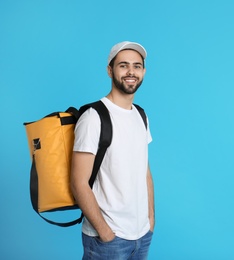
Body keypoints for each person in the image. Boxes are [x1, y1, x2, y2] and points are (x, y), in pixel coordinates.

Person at [71, 41, 155, 260]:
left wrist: (150, 220)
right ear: (110, 70)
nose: (131, 72)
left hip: (141, 235)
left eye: (137, 66)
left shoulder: (141, 115)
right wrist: (105, 232)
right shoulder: (93, 117)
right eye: (123, 65)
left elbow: (144, 171)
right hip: (108, 239)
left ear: (143, 71)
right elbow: (78, 182)